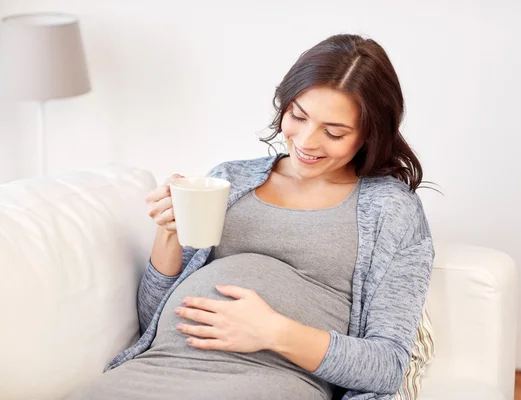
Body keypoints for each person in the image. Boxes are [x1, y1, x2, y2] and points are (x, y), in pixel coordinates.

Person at [68, 33, 435, 400]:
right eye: (298, 116)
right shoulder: (230, 180)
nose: (307, 141)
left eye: (334, 132)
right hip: (157, 366)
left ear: (369, 134)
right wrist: (168, 234)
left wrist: (273, 332)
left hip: (265, 379)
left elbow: (387, 366)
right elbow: (152, 319)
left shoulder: (391, 211)